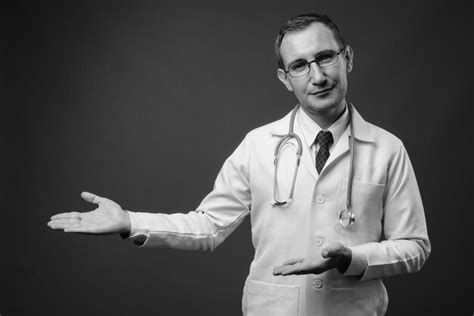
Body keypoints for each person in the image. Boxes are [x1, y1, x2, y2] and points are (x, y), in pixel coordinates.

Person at [48, 13, 430, 316]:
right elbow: (208, 226)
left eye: (325, 57)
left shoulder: (388, 149)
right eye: (299, 65)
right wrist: (130, 221)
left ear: (346, 58)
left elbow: (415, 246)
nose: (317, 76)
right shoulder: (258, 145)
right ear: (285, 78)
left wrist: (355, 257)